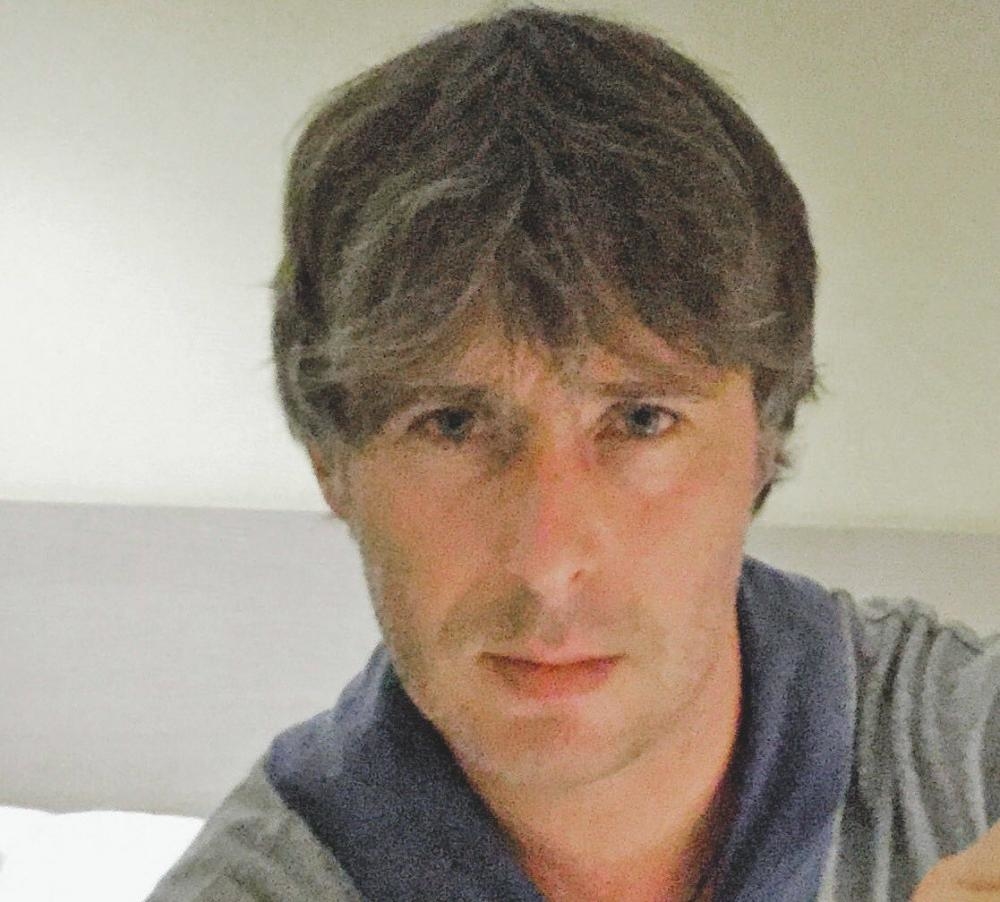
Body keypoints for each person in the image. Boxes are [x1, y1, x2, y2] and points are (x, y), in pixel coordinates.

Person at [146, 5, 999, 900]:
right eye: (451, 424)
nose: (548, 563)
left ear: (765, 434)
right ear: (332, 461)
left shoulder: (960, 751)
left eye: (641, 420)